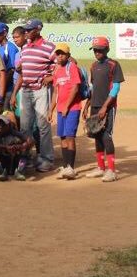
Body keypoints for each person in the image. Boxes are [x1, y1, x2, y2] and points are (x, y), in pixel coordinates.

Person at [12, 19, 56, 172]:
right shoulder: (25, 48)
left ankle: (47, 159)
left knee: (43, 125)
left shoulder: (49, 47)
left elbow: (60, 65)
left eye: (29, 30)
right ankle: (27, 157)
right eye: (25, 30)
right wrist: (14, 93)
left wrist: (50, 77)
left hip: (40, 90)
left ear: (38, 30)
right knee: (25, 127)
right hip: (25, 90)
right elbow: (23, 72)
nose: (26, 32)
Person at [83, 36, 123, 182]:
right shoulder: (93, 66)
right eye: (95, 50)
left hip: (108, 106)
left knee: (106, 136)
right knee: (97, 135)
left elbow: (116, 88)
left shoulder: (114, 65)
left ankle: (111, 171)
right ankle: (100, 168)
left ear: (107, 49)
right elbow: (93, 87)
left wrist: (105, 107)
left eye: (100, 50)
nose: (97, 53)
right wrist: (87, 106)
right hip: (95, 105)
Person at [49, 43, 83, 179]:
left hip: (72, 109)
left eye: (62, 54)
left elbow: (75, 88)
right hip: (60, 109)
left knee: (70, 137)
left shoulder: (72, 67)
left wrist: (67, 107)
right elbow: (55, 91)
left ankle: (71, 168)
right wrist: (50, 110)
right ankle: (65, 166)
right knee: (62, 137)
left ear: (68, 55)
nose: (60, 56)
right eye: (58, 54)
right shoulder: (57, 70)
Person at [0, 116, 33, 181]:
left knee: (25, 150)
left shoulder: (15, 134)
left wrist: (20, 147)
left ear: (8, 126)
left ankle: (19, 171)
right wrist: (5, 147)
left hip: (14, 161)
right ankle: (1, 172)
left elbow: (31, 141)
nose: (0, 126)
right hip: (2, 163)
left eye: (3, 124)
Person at [0, 23, 20, 107]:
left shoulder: (11, 48)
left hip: (8, 88)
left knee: (6, 114)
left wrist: (3, 86)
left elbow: (12, 70)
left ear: (5, 33)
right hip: (0, 86)